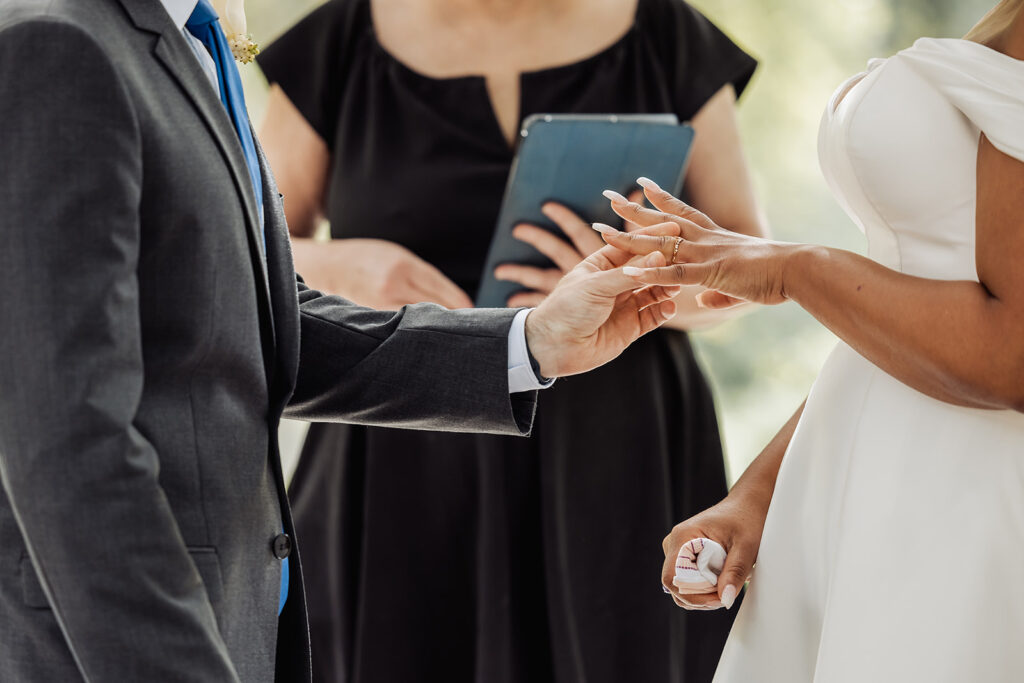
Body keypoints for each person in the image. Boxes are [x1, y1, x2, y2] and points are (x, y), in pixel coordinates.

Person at [0, 0, 681, 680]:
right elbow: (65, 442)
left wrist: (530, 343)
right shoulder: (58, 46)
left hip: (227, 620)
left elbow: (262, 322)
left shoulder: (188, 42)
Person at [255, 0, 764, 680]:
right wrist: (349, 267)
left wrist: (637, 272)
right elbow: (247, 250)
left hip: (615, 460)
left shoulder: (665, 32)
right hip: (400, 454)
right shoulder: (339, 41)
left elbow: (746, 271)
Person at [601, 1, 1024, 679]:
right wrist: (762, 494)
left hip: (959, 510)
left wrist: (793, 269)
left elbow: (1012, 354)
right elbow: (910, 318)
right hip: (859, 496)